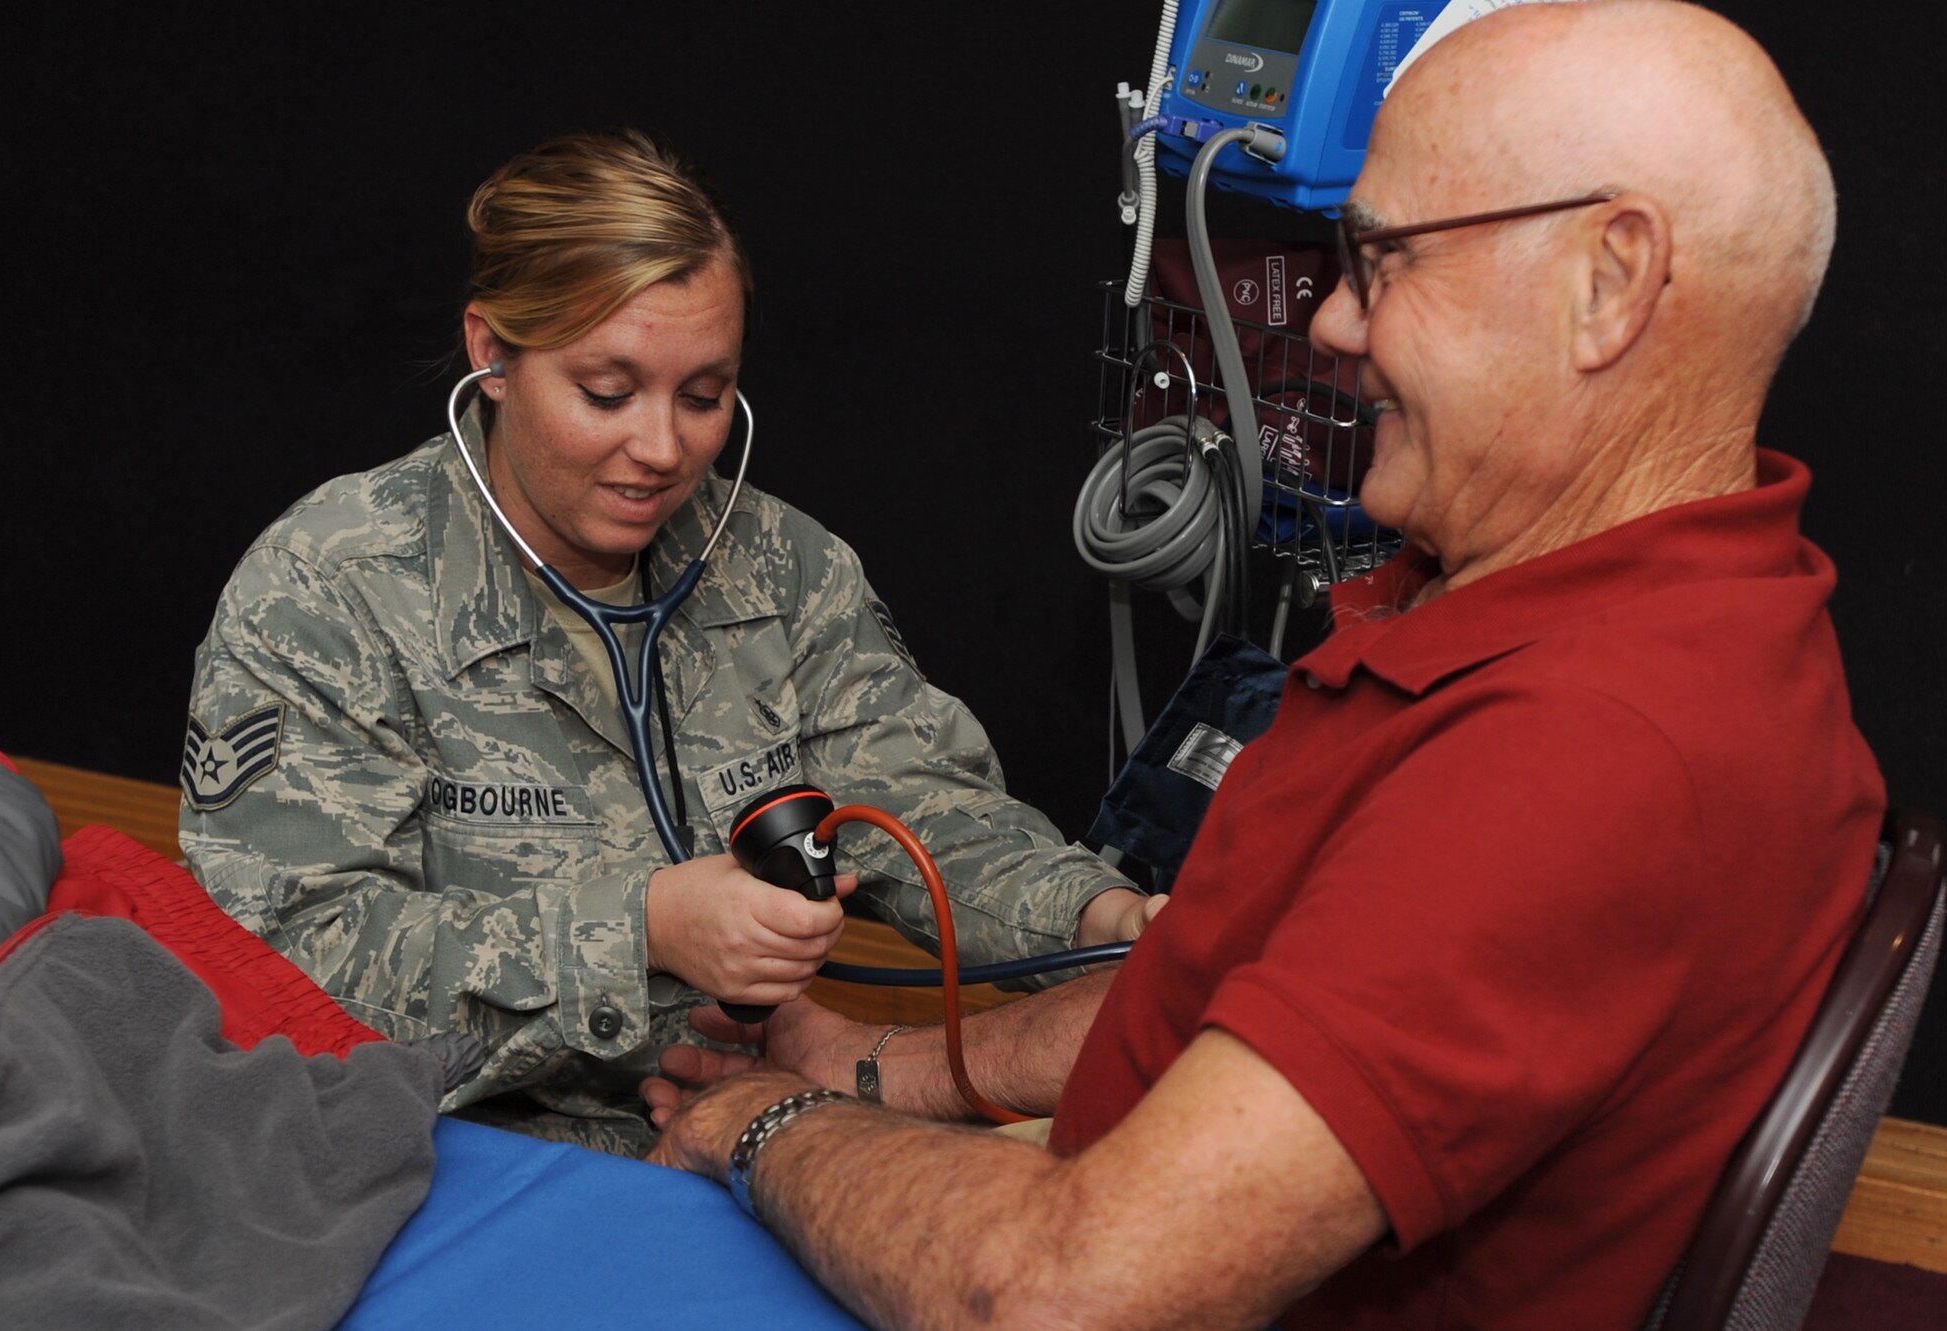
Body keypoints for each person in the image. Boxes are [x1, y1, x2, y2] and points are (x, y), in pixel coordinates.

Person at [641, 4, 1886, 1327]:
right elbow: (1251, 995)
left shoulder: (1581, 755)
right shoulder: (1675, 619)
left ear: (1609, 281)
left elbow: (1068, 1295)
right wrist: (882, 1073)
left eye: (1384, 258)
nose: (1339, 322)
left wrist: (759, 1122)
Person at [177, 127, 1155, 1157]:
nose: (661, 449)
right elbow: (277, 966)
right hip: (444, 1148)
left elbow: (921, 803)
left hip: (748, 1116)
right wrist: (640, 926)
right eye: (606, 393)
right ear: (491, 353)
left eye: (703, 396)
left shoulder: (782, 565)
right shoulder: (328, 590)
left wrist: (1095, 918)